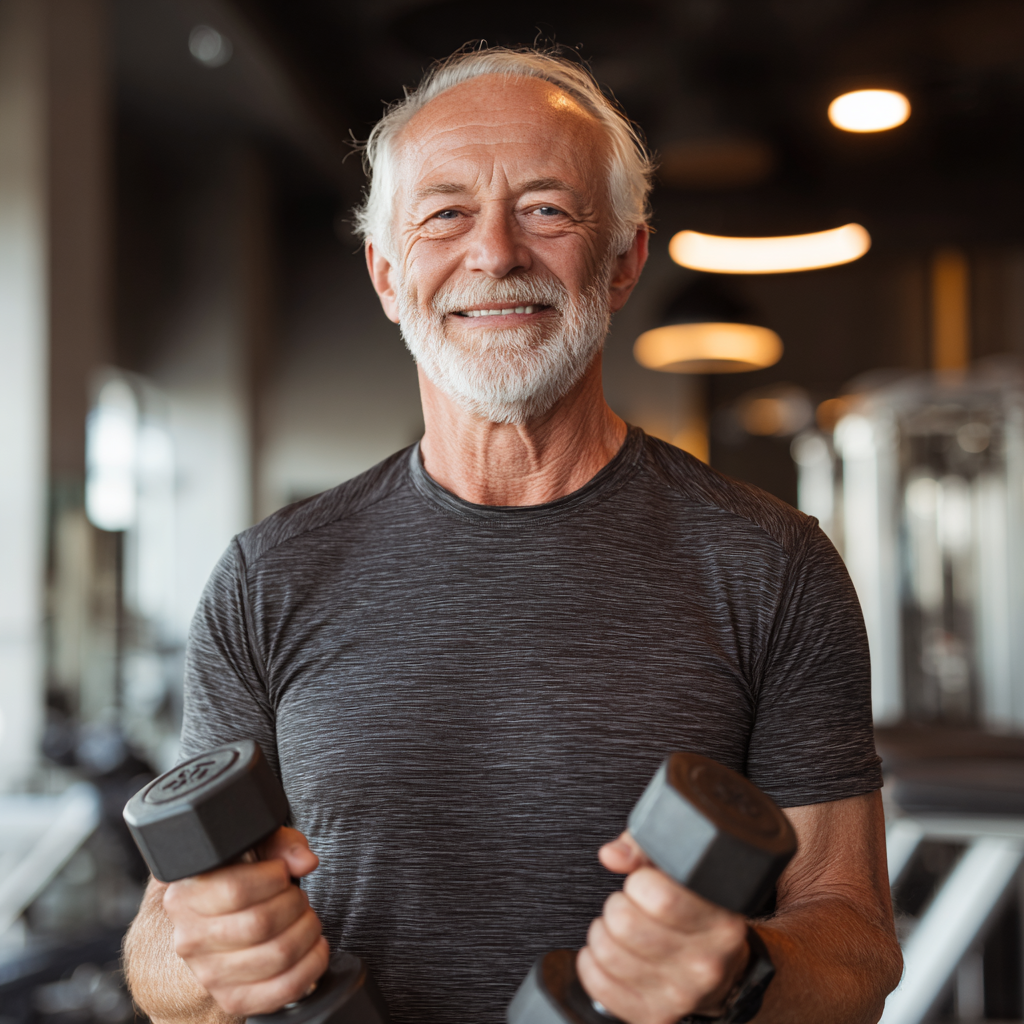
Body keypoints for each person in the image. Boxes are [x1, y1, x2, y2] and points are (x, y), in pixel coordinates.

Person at [123, 47, 902, 1024]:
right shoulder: (266, 577)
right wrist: (204, 962)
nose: (494, 253)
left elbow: (856, 946)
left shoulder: (772, 565)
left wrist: (734, 972)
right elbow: (163, 949)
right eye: (445, 213)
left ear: (622, 260)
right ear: (386, 271)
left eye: (546, 208)